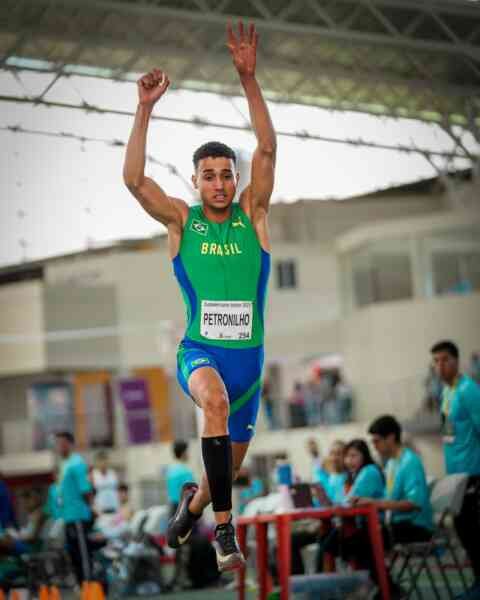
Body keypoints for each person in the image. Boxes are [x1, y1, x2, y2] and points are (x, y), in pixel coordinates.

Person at [123, 20, 276, 572]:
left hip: (250, 368)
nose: (218, 183)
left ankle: (193, 508)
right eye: (208, 175)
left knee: (222, 476)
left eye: (225, 175)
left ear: (236, 182)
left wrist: (249, 80)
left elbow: (266, 147)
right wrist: (144, 109)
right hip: (201, 353)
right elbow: (136, 181)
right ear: (195, 182)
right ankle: (225, 534)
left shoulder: (254, 218)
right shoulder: (182, 223)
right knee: (211, 404)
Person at [350, 416, 433, 598]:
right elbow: (389, 501)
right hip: (397, 524)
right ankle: (387, 587)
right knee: (355, 538)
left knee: (362, 541)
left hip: (417, 527)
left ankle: (388, 590)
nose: (375, 446)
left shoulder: (410, 462)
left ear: (391, 437)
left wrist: (374, 503)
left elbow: (414, 504)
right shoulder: (391, 464)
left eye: (377, 441)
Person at [431, 340, 480, 599]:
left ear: (456, 361)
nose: (440, 366)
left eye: (444, 360)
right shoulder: (446, 393)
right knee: (463, 531)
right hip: (455, 476)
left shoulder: (469, 391)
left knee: (472, 530)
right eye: (435, 361)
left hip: (473, 474)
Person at [55, 431, 94, 585]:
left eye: (62, 443)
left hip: (78, 515)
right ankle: (80, 584)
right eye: (57, 444)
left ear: (70, 444)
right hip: (67, 516)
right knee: (73, 554)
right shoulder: (62, 464)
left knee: (82, 553)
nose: (59, 446)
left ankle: (89, 585)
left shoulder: (77, 463)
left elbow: (85, 490)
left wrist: (91, 508)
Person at [165, 440, 195, 518]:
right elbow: (192, 493)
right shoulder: (185, 472)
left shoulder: (170, 471)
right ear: (183, 453)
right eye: (187, 451)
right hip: (184, 509)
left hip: (172, 508)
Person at [92, 450, 119, 515]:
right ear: (97, 462)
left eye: (105, 460)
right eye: (101, 461)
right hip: (100, 508)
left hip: (113, 506)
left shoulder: (112, 474)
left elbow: (116, 490)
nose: (103, 463)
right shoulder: (94, 474)